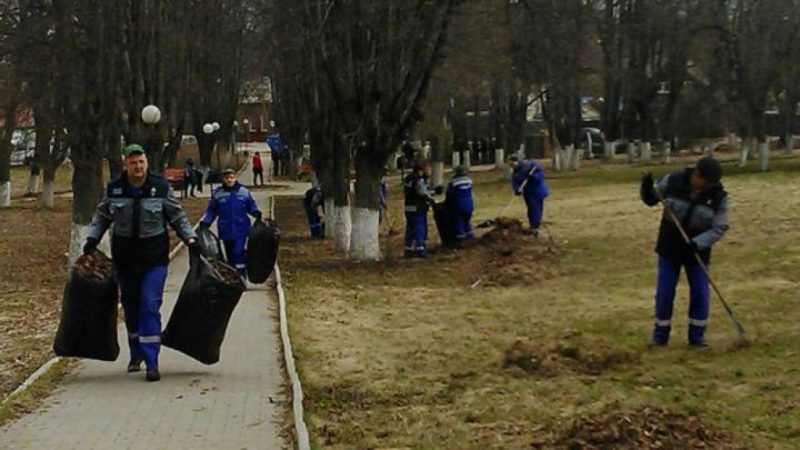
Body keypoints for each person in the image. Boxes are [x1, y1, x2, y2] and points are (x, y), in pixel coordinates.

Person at [84, 144, 200, 382]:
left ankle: (152, 361)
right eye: (133, 162)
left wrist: (190, 238)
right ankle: (135, 353)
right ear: (126, 163)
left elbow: (177, 216)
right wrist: (92, 238)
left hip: (154, 258)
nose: (138, 167)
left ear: (147, 162)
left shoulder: (160, 187)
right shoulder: (115, 189)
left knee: (149, 304)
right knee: (131, 306)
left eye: (142, 162)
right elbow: (102, 216)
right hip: (125, 259)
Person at [640, 156, 730, 348]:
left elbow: (720, 227)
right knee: (665, 292)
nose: (698, 181)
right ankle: (660, 337)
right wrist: (647, 189)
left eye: (705, 181)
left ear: (710, 182)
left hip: (697, 251)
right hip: (669, 246)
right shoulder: (673, 180)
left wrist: (698, 243)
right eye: (698, 176)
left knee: (700, 292)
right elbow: (651, 199)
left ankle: (697, 338)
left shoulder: (719, 198)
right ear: (696, 173)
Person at [200, 168, 262, 277]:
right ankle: (233, 278)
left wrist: (255, 212)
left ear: (235, 178)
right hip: (226, 230)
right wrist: (206, 222)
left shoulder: (243, 192)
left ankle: (242, 276)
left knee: (238, 252)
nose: (229, 180)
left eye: (232, 177)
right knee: (230, 256)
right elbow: (212, 210)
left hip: (241, 229)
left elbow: (250, 205)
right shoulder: (218, 194)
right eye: (227, 178)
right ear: (223, 179)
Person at [509, 156, 550, 236]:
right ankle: (532, 225)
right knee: (530, 209)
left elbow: (540, 174)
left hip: (537, 191)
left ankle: (535, 227)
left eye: (513, 163)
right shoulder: (515, 172)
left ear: (517, 161)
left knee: (536, 209)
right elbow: (515, 182)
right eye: (510, 164)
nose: (512, 166)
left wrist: (533, 177)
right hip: (528, 193)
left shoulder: (530, 165)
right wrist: (517, 189)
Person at [403, 162, 436, 258]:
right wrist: (432, 199)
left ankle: (408, 249)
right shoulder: (418, 179)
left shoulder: (408, 178)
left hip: (408, 207)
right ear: (421, 170)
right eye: (427, 169)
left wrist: (432, 191)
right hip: (418, 207)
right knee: (419, 228)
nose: (429, 171)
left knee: (410, 228)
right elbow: (422, 192)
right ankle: (420, 249)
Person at [446, 166, 475, 243]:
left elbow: (449, 194)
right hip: (469, 204)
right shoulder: (469, 180)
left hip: (458, 205)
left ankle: (460, 239)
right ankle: (470, 236)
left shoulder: (453, 182)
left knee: (458, 221)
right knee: (467, 220)